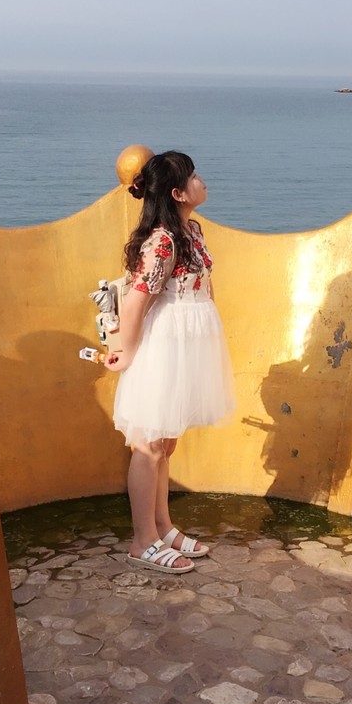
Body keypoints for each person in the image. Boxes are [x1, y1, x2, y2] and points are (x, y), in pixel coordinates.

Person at [104, 151, 235, 573]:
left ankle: (162, 527)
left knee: (166, 442)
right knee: (149, 444)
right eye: (194, 176)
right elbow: (136, 301)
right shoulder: (163, 241)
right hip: (164, 346)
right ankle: (143, 540)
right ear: (178, 193)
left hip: (186, 345)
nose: (202, 180)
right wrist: (128, 351)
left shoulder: (191, 230)